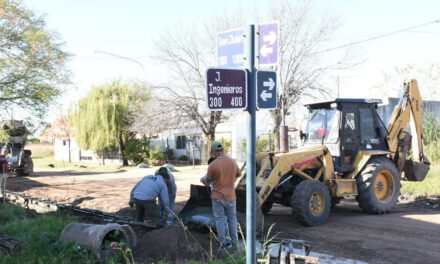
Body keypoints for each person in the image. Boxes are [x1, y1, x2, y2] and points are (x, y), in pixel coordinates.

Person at [201, 141, 241, 248]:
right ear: (223, 150)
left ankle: (223, 242)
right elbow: (238, 174)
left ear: (214, 151)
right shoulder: (233, 162)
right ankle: (235, 242)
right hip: (231, 196)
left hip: (218, 197)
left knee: (220, 220)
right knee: (232, 219)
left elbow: (207, 182)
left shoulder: (213, 165)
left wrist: (203, 180)